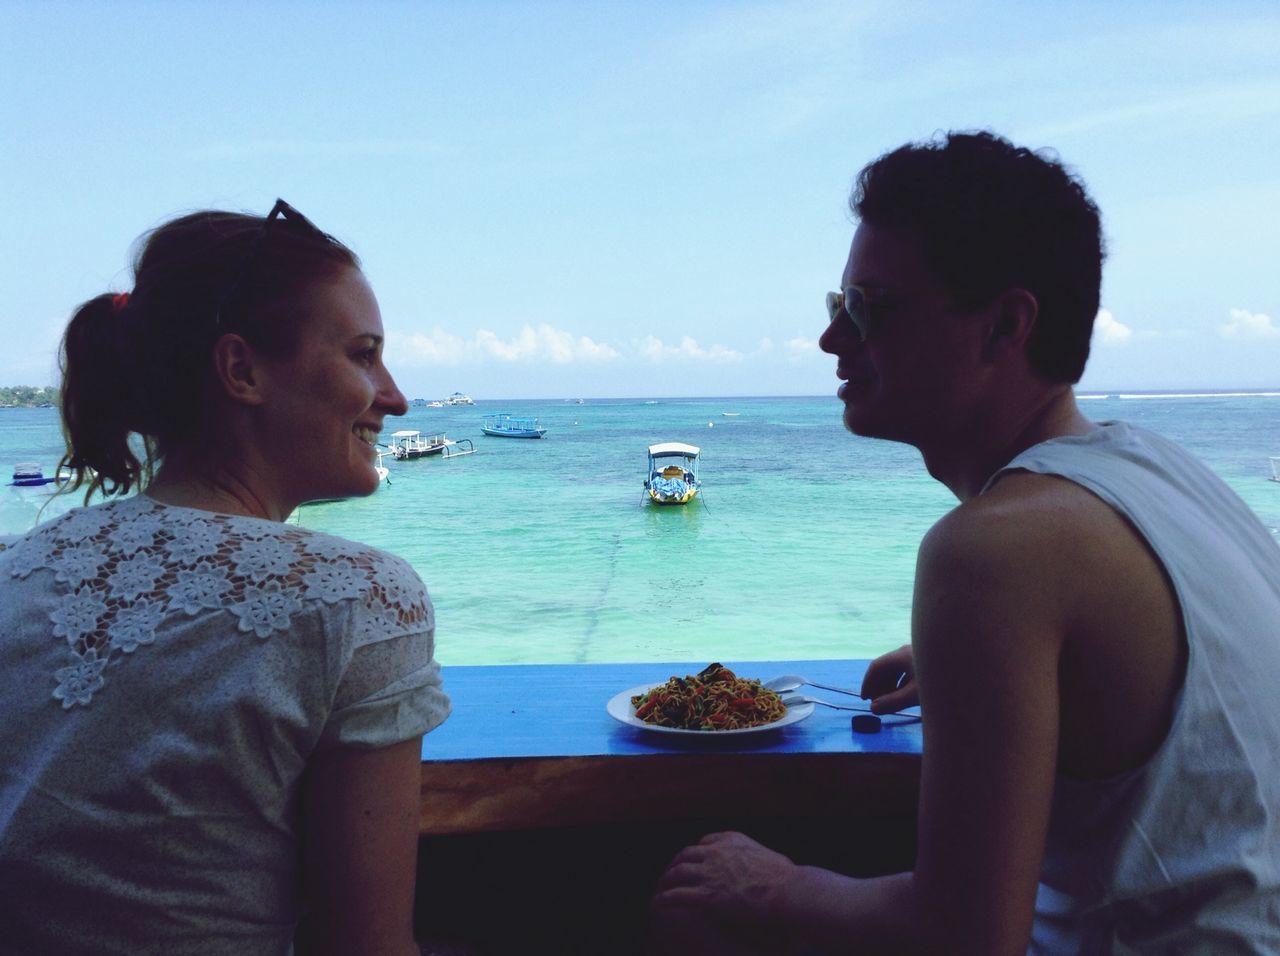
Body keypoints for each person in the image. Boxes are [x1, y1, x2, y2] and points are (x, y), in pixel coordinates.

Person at [652, 131, 1280, 953]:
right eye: (834, 306)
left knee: (693, 912)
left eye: (869, 307)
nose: (832, 341)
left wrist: (773, 885)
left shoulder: (993, 552)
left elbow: (963, 936)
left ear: (1003, 327)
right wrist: (996, 670)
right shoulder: (1159, 473)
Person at [0, 200, 450, 954]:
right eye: (364, 355)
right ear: (242, 370)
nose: (395, 397)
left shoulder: (17, 567)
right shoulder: (359, 600)